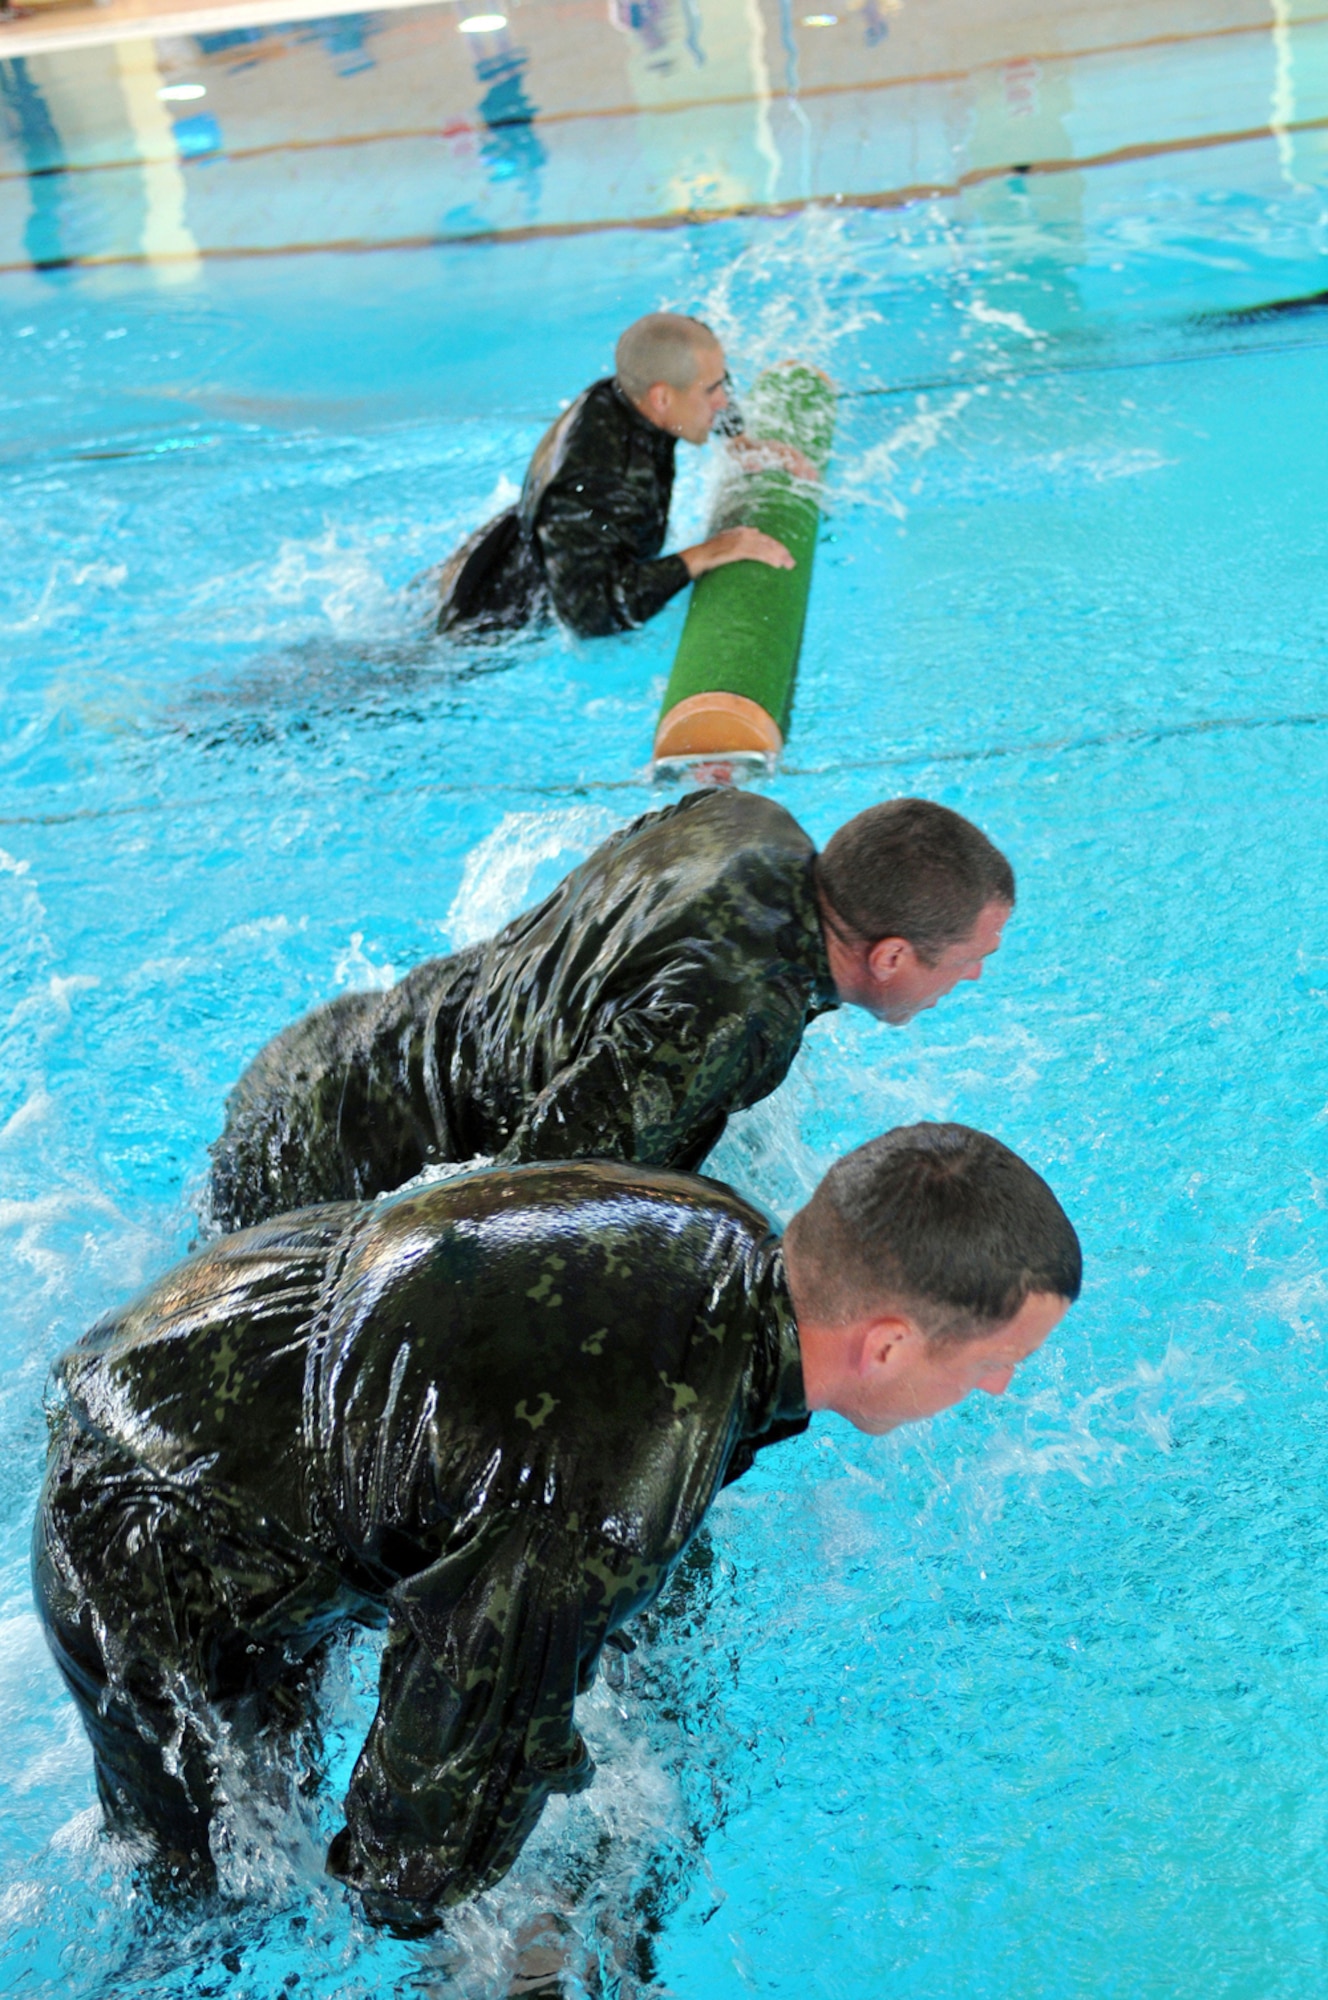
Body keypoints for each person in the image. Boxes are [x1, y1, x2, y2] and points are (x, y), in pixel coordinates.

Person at [33, 1124, 1081, 1932]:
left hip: (202, 1345)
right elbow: (422, 1828)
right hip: (147, 1516)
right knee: (220, 1895)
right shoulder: (603, 1493)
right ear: (888, 1342)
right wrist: (418, 1918)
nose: (994, 1386)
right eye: (996, 1357)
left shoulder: (717, 1232)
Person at [205, 791, 1016, 1236]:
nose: (975, 976)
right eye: (970, 956)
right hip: (330, 1170)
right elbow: (522, 1204)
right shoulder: (738, 1014)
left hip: (332, 1052)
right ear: (891, 957)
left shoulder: (749, 821)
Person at [435, 311, 795, 640]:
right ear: (662, 398)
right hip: (493, 623)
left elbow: (700, 380)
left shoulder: (635, 390)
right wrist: (703, 555)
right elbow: (590, 615)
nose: (723, 400)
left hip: (510, 548)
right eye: (712, 391)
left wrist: (738, 439)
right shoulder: (596, 479)